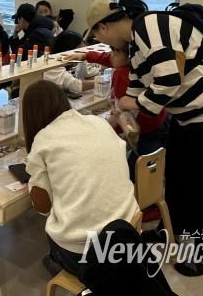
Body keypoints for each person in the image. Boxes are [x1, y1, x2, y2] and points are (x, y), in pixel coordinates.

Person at [85, 0, 203, 277]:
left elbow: (168, 82)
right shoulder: (135, 45)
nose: (104, 45)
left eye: (98, 37)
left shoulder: (150, 27)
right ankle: (172, 230)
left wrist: (132, 104)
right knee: (178, 177)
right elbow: (136, 88)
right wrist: (122, 108)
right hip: (190, 117)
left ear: (103, 28)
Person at [23, 80, 138, 277]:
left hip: (88, 253)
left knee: (54, 237)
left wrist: (34, 177)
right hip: (130, 230)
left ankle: (59, 264)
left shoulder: (43, 140)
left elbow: (43, 207)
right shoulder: (98, 122)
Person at [65, 0, 168, 160]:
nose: (110, 54)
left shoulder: (123, 72)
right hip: (158, 122)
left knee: (139, 168)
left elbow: (125, 113)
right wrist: (86, 55)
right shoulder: (132, 49)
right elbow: (112, 58)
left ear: (103, 27)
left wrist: (106, 132)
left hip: (145, 130)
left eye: (113, 51)